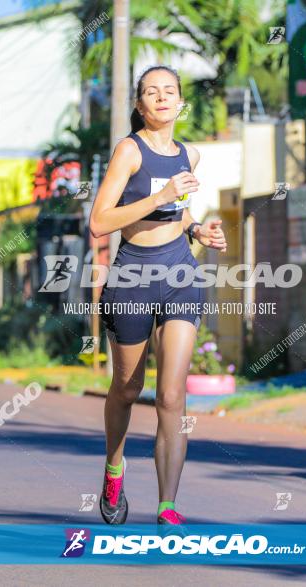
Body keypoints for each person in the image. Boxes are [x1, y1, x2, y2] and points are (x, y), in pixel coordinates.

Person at [88, 65, 227, 525]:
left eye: (170, 91)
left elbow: (179, 214)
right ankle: (114, 467)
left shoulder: (191, 155)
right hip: (131, 277)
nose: (163, 98)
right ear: (139, 104)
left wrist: (199, 230)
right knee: (128, 388)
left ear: (181, 103)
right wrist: (161, 194)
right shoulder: (129, 151)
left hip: (179, 274)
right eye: (152, 92)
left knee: (172, 395)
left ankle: (167, 503)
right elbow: (100, 222)